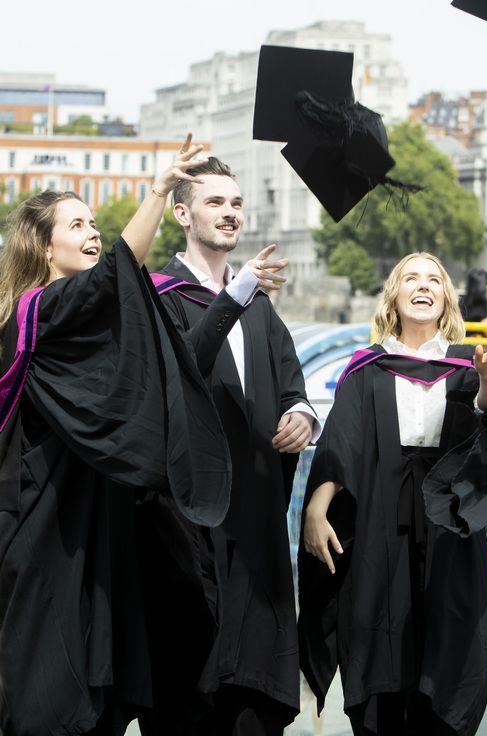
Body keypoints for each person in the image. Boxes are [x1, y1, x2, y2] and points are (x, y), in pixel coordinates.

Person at [0, 136, 274, 736]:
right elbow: (113, 277)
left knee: (105, 681)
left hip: (99, 520)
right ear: (45, 246)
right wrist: (156, 192)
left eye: (94, 222)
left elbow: (168, 360)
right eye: (78, 225)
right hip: (46, 523)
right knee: (48, 685)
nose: (92, 232)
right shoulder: (35, 314)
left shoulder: (92, 317)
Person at [298, 252, 487, 736]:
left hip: (447, 520)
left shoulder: (465, 365)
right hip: (381, 517)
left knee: (451, 626)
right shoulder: (367, 367)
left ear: (445, 298)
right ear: (394, 294)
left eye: (434, 279)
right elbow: (341, 441)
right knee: (378, 625)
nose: (423, 285)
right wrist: (316, 505)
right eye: (411, 278)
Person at [156, 156, 320, 735]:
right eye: (214, 203)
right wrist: (240, 288)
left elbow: (291, 383)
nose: (230, 213)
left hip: (254, 518)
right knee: (193, 683)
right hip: (193, 520)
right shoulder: (162, 298)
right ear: (181, 213)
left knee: (253, 692)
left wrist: (300, 415)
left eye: (236, 203)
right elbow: (183, 373)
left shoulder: (259, 306)